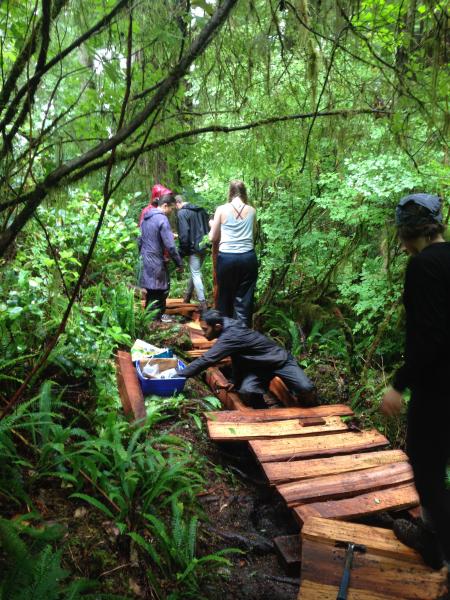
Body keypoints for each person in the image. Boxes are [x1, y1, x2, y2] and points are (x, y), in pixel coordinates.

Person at [380, 193, 450, 572]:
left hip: (437, 388)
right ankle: (430, 537)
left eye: (402, 236)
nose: (402, 245)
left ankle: (444, 557)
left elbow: (431, 337)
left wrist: (399, 383)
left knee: (426, 472)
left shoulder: (423, 267)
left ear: (410, 233)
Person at [176, 309, 317, 407]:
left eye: (205, 329)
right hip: (257, 367)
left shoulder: (232, 335)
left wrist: (179, 375)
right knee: (247, 391)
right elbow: (237, 356)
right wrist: (235, 381)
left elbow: (207, 360)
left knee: (306, 388)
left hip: (280, 361)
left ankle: (308, 406)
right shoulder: (226, 324)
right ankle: (263, 414)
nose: (203, 333)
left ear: (217, 326)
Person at [209, 179, 257, 327]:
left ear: (230, 192)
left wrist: (212, 224)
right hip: (248, 258)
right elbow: (253, 235)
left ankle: (227, 337)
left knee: (225, 299)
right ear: (244, 193)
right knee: (245, 302)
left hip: (227, 259)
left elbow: (212, 237)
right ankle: (243, 339)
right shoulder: (252, 211)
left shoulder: (221, 209)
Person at [138, 194, 183, 321]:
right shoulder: (162, 219)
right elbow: (171, 246)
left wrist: (142, 255)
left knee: (151, 292)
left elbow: (139, 239)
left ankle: (148, 321)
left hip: (146, 259)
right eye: (172, 209)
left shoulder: (145, 218)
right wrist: (179, 263)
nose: (172, 212)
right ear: (165, 206)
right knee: (161, 290)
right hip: (156, 261)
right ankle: (155, 322)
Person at [175, 194, 209, 312]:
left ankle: (203, 303)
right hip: (204, 246)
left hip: (193, 248)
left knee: (195, 273)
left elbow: (184, 235)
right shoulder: (201, 210)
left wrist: (181, 252)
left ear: (178, 203)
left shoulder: (182, 213)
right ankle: (187, 296)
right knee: (195, 272)